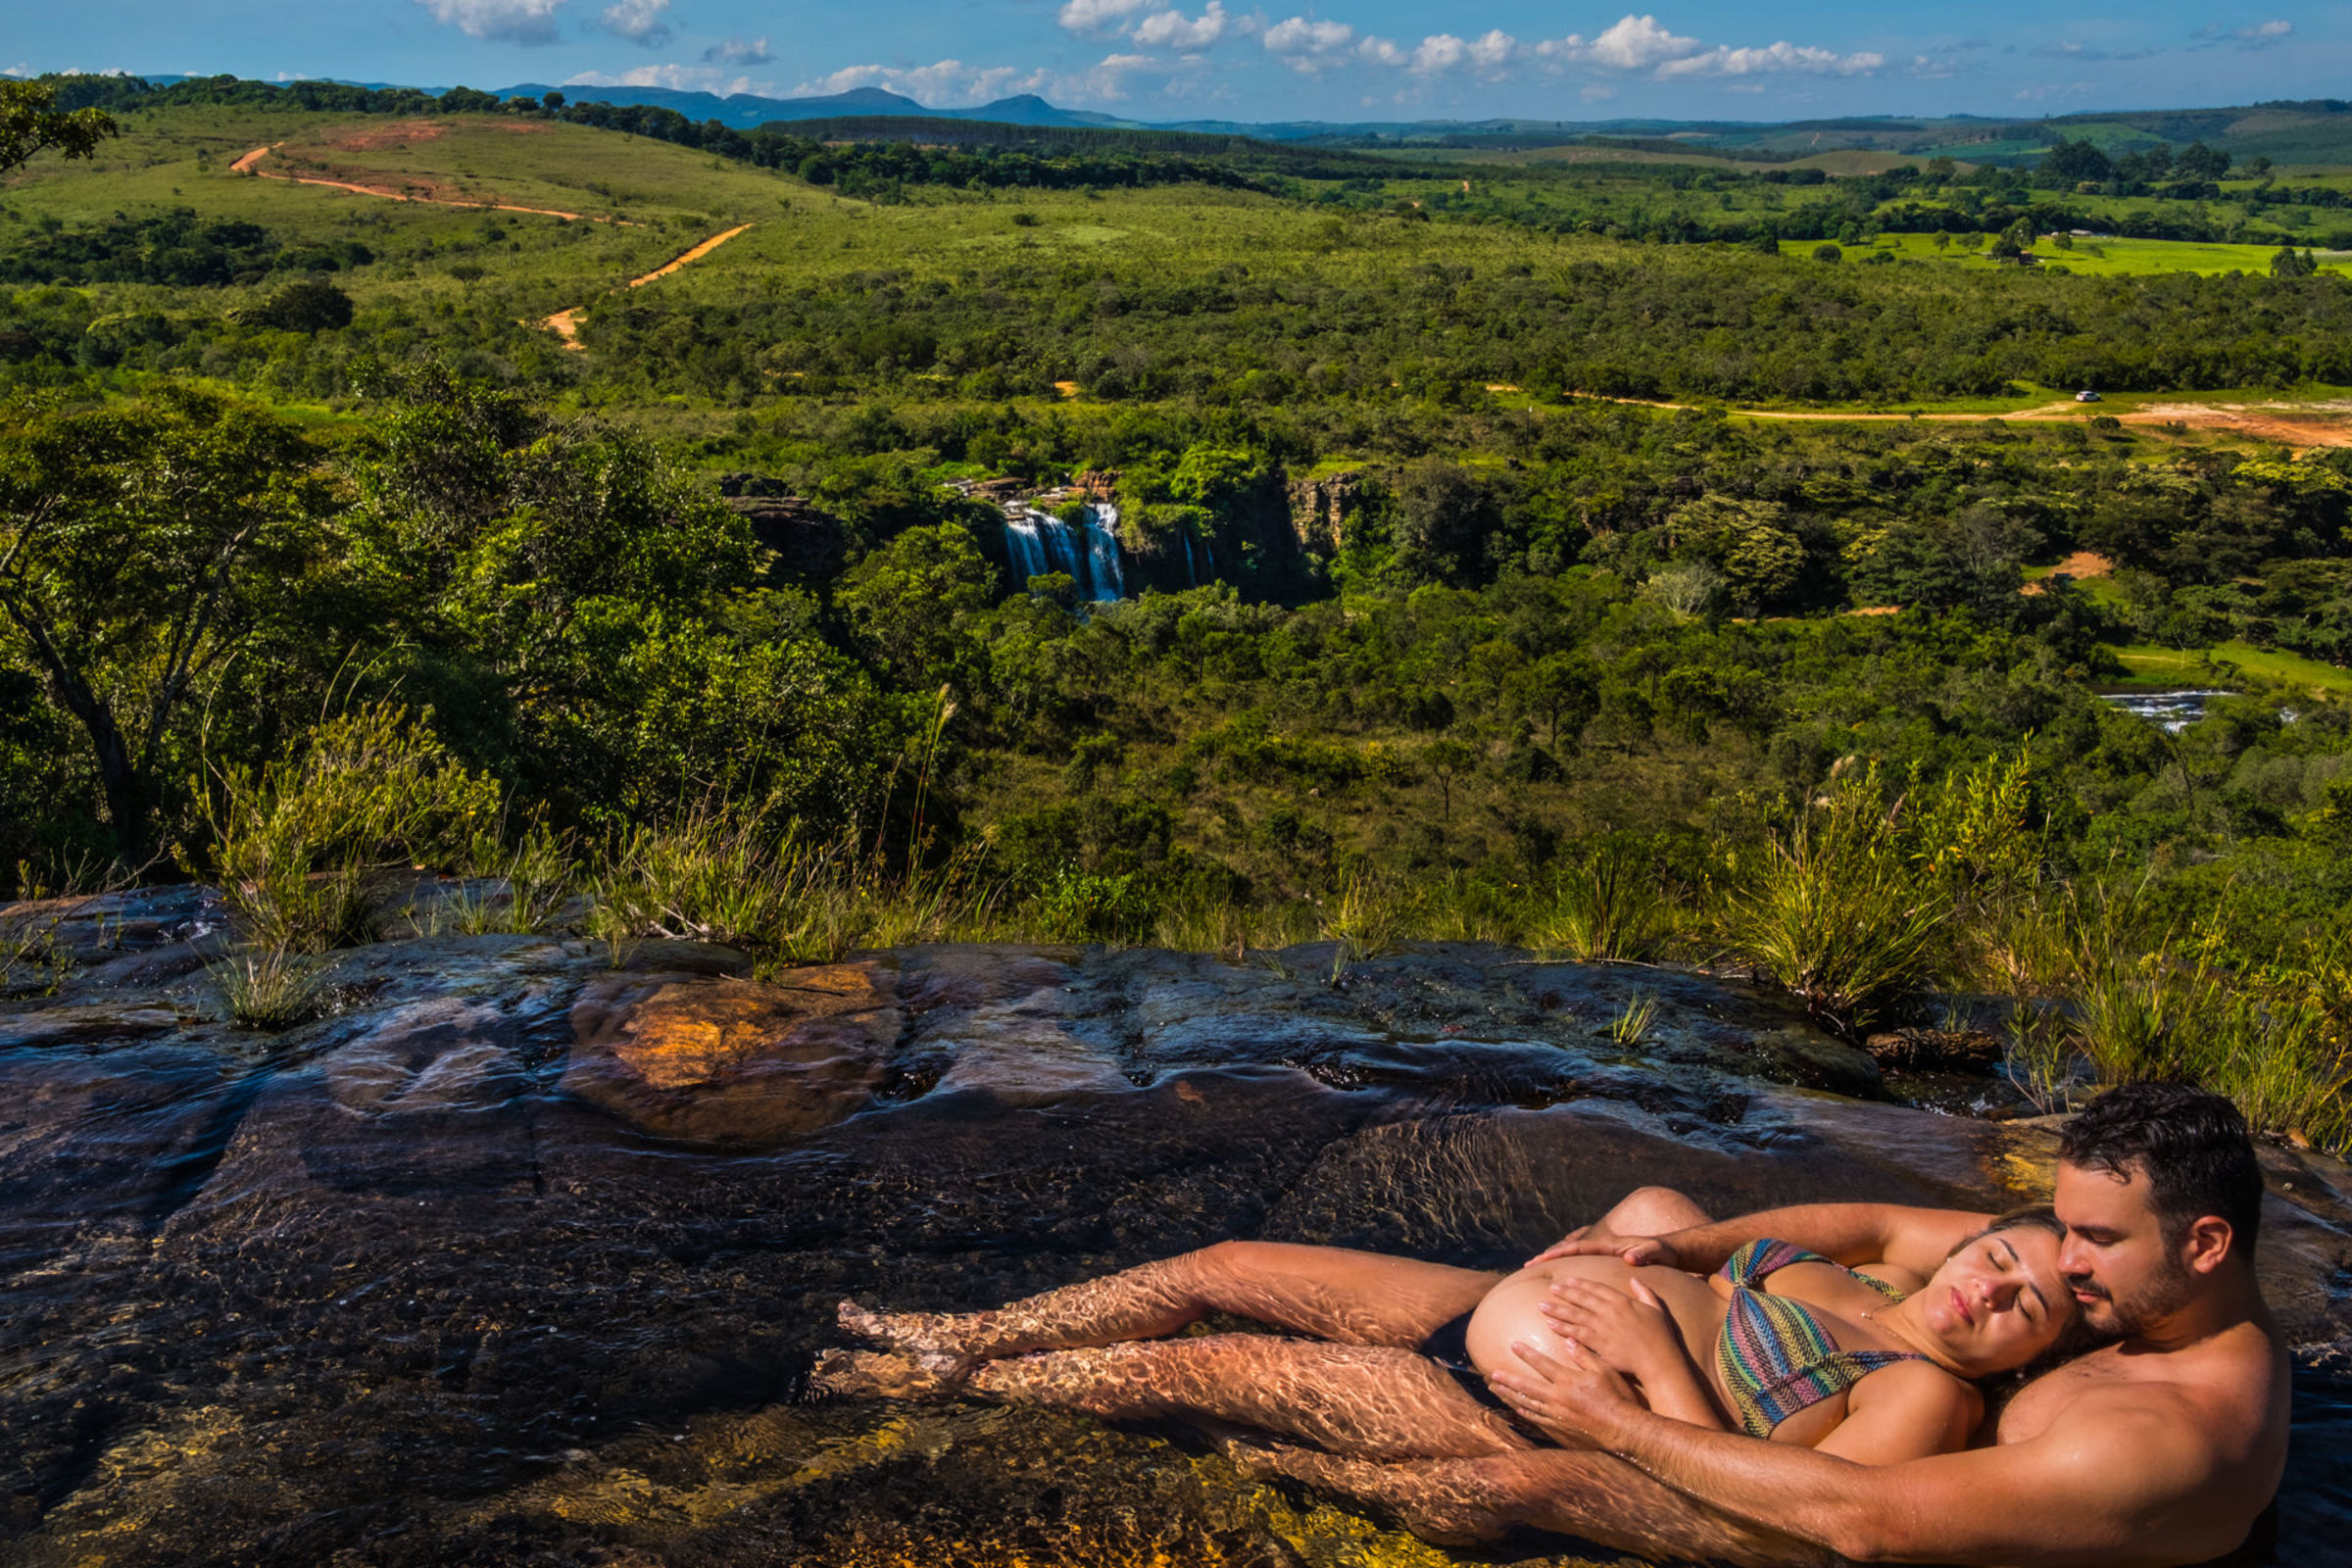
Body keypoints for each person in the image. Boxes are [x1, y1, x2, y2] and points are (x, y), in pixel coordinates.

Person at [1285, 1081, 2289, 1567]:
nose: (2061, 1259)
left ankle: (1277, 1475)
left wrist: (1625, 1422)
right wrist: (1691, 1248)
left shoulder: (2169, 1437)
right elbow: (1883, 1220)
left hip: (1824, 1526)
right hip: (1806, 1470)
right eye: (2059, 1228)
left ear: (2206, 1242)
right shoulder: (2141, 1285)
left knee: (1502, 1479)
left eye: (2092, 1240)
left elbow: (1868, 1521)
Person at [814, 1192, 2082, 1488]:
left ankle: (947, 1390)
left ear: (2023, 1355)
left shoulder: (1922, 1399)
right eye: (1999, 1256)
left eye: (2028, 1305)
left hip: (1518, 1405)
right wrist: (1618, 1239)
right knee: (1223, 1268)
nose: (1995, 1289)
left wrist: (1656, 1353)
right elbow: (1671, 1229)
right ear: (1964, 1241)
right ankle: (960, 1339)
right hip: (1475, 1305)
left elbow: (1766, 1515)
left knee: (1189, 1369)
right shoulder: (1833, 1263)